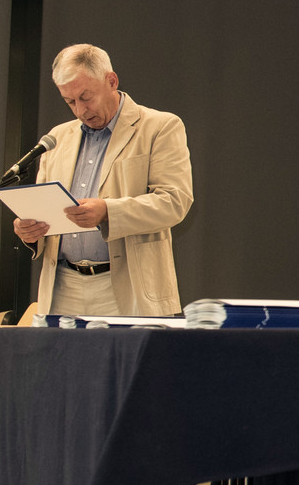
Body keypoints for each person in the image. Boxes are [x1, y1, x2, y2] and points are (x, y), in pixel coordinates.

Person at [13, 44, 194, 317]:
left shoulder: (160, 126)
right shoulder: (57, 137)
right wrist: (31, 230)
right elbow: (46, 208)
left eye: (86, 97)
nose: (80, 110)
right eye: (70, 102)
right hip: (62, 286)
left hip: (127, 287)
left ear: (111, 81)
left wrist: (108, 211)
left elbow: (174, 202)